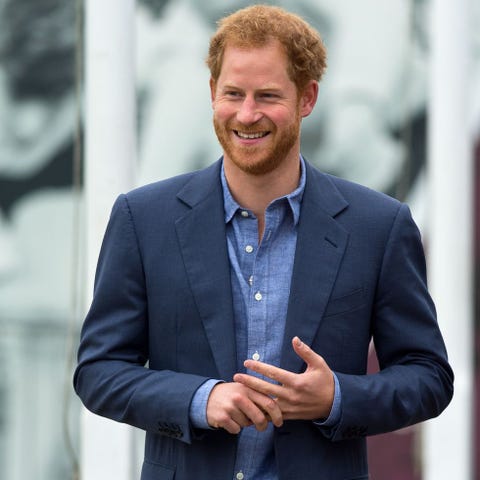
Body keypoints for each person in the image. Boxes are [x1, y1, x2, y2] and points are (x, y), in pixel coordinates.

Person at [74, 5, 454, 480]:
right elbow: (99, 371)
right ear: (213, 92)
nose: (247, 114)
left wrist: (335, 398)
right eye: (233, 93)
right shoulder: (142, 218)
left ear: (307, 98)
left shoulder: (379, 225)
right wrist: (199, 399)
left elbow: (429, 377)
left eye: (268, 96)